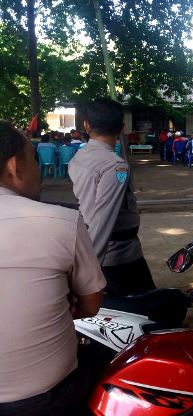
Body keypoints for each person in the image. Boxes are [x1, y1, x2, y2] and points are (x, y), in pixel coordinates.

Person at [0, 121, 105, 415]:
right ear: (14, 166)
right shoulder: (62, 221)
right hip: (48, 398)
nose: (39, 168)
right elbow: (91, 303)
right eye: (33, 158)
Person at [69, 98, 156, 295]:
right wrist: (90, 273)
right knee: (149, 312)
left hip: (102, 248)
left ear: (86, 125)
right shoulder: (115, 166)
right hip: (117, 256)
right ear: (122, 127)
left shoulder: (78, 158)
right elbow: (103, 220)